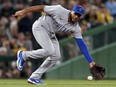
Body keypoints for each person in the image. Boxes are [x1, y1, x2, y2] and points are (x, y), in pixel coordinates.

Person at [13, 5, 96, 85]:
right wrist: (23, 11)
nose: (76, 16)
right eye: (76, 13)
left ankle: (34, 77)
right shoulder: (59, 10)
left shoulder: (76, 28)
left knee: (56, 56)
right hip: (40, 27)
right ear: (71, 11)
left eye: (79, 15)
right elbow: (41, 7)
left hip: (50, 33)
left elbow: (81, 44)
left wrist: (90, 61)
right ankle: (24, 54)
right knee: (49, 51)